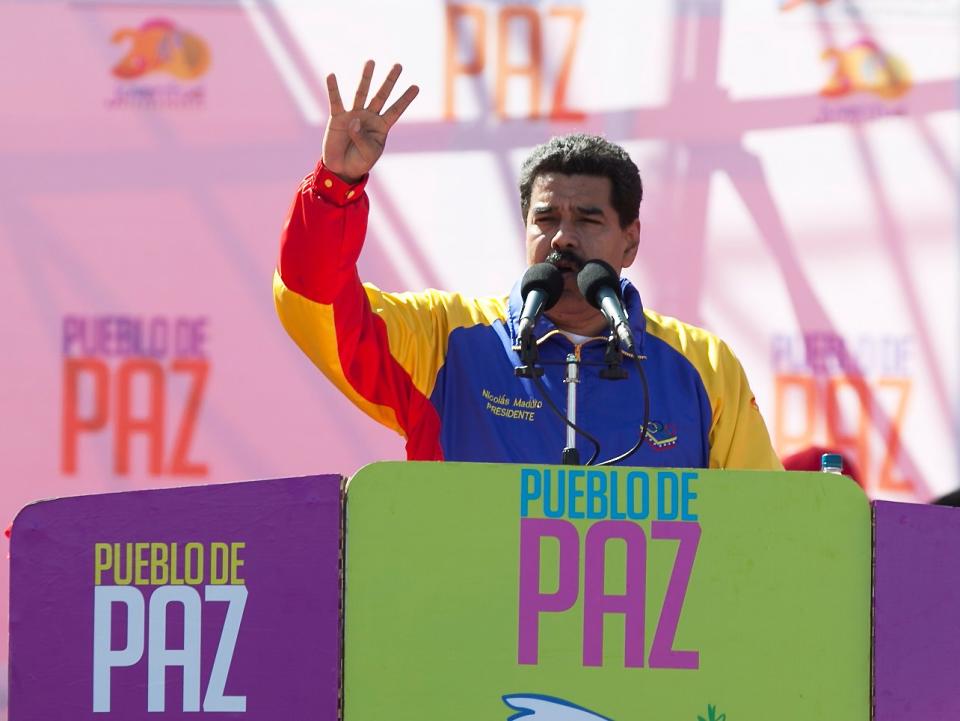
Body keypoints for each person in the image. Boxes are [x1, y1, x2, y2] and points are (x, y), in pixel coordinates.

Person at [274, 60, 782, 469]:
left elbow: (767, 524)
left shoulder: (704, 367)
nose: (562, 237)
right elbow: (313, 300)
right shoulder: (445, 339)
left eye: (588, 218)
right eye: (546, 219)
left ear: (630, 241)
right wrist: (335, 189)